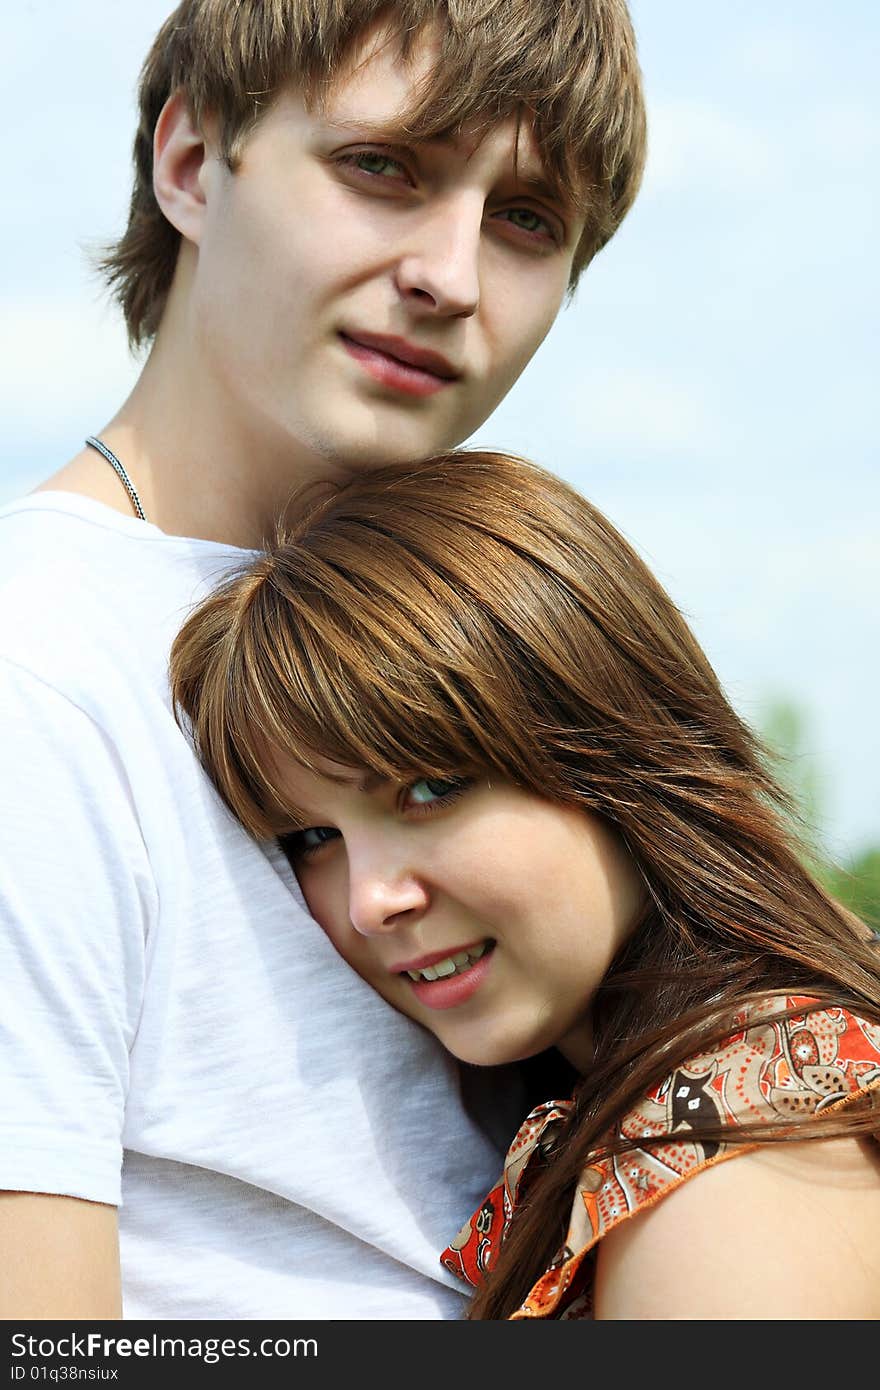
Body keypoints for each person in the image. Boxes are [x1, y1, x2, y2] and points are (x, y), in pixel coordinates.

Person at [0, 1, 647, 1319]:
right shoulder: (38, 668)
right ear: (190, 164)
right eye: (384, 167)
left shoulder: (492, 620)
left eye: (527, 219)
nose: (450, 276)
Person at [168, 450, 880, 1320]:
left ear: (613, 745)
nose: (369, 900)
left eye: (428, 789)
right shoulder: (677, 1098)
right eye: (314, 837)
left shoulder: (734, 1172)